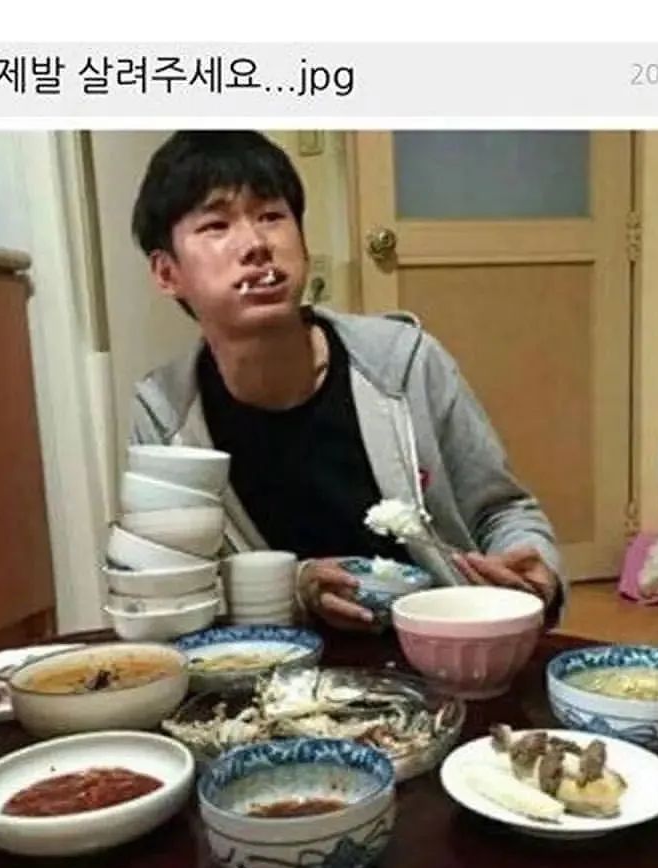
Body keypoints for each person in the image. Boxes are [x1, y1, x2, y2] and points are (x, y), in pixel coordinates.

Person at [129, 130, 566, 632]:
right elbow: (173, 589)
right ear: (167, 273)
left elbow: (502, 510)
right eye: (216, 224)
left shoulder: (402, 364)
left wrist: (538, 572)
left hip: (440, 642)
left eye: (271, 216)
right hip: (277, 661)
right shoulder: (166, 417)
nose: (255, 244)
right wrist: (294, 586)